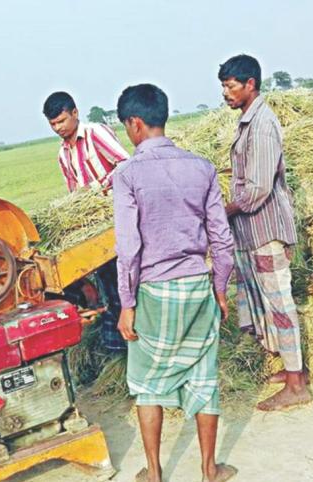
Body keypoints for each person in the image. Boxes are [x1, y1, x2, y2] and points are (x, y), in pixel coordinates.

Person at [113, 83, 237, 482]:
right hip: (198, 287)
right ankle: (209, 469)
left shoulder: (127, 174)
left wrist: (127, 303)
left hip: (154, 292)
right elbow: (221, 239)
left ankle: (153, 472)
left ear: (135, 123)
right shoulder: (202, 168)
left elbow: (128, 248)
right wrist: (220, 288)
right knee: (204, 377)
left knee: (148, 383)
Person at [218, 54, 311, 411]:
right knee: (268, 304)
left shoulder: (261, 125)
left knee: (280, 304)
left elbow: (257, 189)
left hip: (266, 229)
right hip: (252, 232)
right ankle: (290, 369)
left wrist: (223, 211)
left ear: (250, 84)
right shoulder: (248, 122)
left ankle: (297, 385)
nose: (225, 93)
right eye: (223, 87)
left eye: (230, 86)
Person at [43, 91, 130, 351]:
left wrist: (98, 189)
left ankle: (130, 337)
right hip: (93, 231)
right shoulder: (63, 153)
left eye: (62, 121)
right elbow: (74, 193)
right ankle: (117, 346)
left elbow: (125, 164)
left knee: (124, 280)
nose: (58, 128)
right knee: (108, 284)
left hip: (116, 218)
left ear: (75, 113)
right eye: (53, 124)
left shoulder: (95, 134)